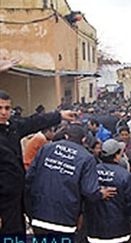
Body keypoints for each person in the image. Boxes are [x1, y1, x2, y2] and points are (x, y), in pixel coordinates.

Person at [0, 89, 76, 234]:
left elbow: (33, 122)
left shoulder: (12, 127)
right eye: (0, 108)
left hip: (16, 198)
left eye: (7, 108)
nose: (4, 112)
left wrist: (59, 116)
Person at [26, 125, 117, 235]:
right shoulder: (86, 158)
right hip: (65, 218)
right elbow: (89, 191)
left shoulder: (47, 149)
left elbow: (29, 177)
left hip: (39, 214)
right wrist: (101, 194)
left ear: (66, 136)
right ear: (83, 139)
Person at [85, 139, 131, 243]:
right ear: (117, 155)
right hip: (119, 231)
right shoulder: (125, 176)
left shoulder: (91, 172)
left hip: (94, 230)